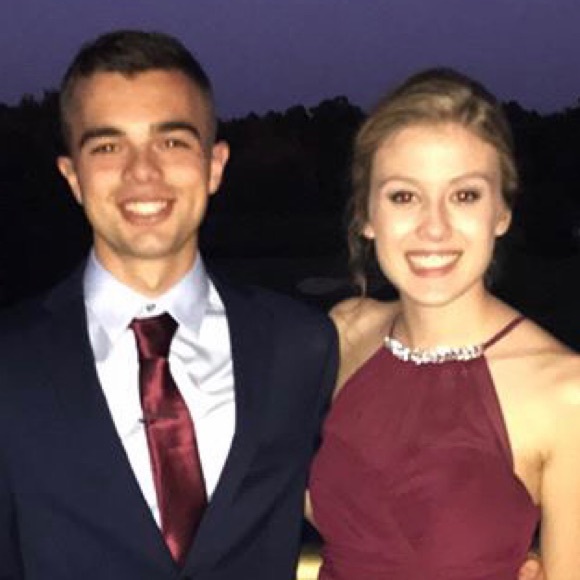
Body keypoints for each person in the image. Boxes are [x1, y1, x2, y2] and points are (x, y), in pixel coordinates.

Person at [0, 30, 337, 579]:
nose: (143, 172)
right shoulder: (10, 363)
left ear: (214, 165)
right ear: (73, 177)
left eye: (172, 142)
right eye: (108, 147)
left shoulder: (302, 345)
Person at [308, 68, 580, 578]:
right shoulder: (344, 333)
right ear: (366, 216)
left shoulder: (566, 393)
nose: (433, 228)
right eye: (404, 196)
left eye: (465, 195)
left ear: (502, 212)